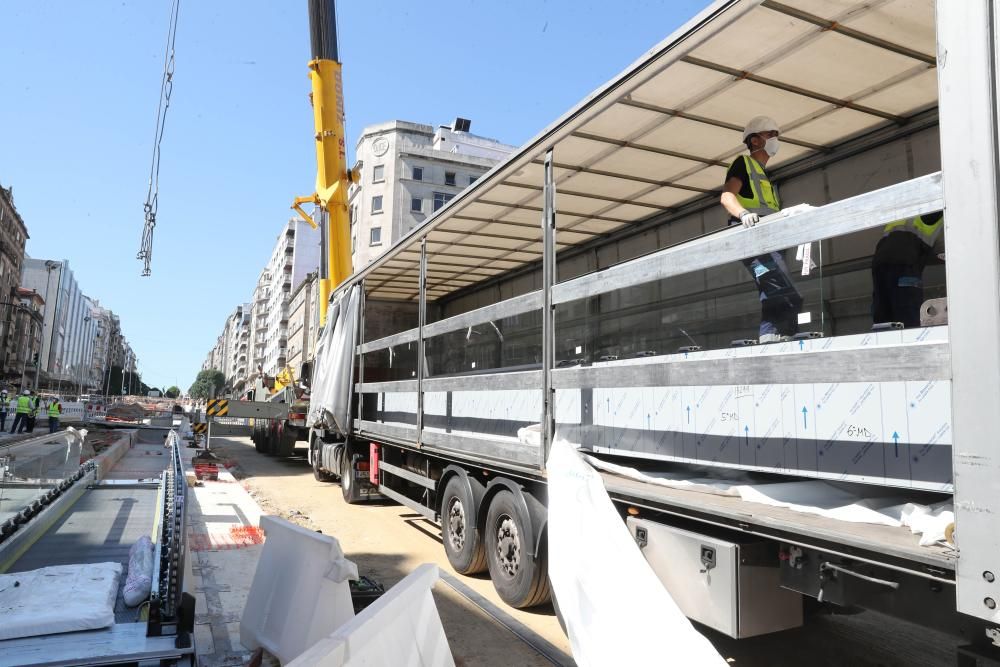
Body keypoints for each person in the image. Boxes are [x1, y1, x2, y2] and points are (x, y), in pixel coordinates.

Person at [720, 115, 803, 342]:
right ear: (755, 141)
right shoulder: (743, 164)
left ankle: (773, 338)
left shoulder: (764, 175)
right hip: (753, 238)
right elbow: (727, 196)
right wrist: (743, 214)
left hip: (770, 240)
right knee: (786, 294)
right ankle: (777, 336)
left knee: (774, 291)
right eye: (771, 135)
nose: (776, 139)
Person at [872, 211, 945, 328]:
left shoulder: (905, 208)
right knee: (908, 314)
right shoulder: (933, 209)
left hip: (880, 261)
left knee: (883, 315)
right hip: (904, 262)